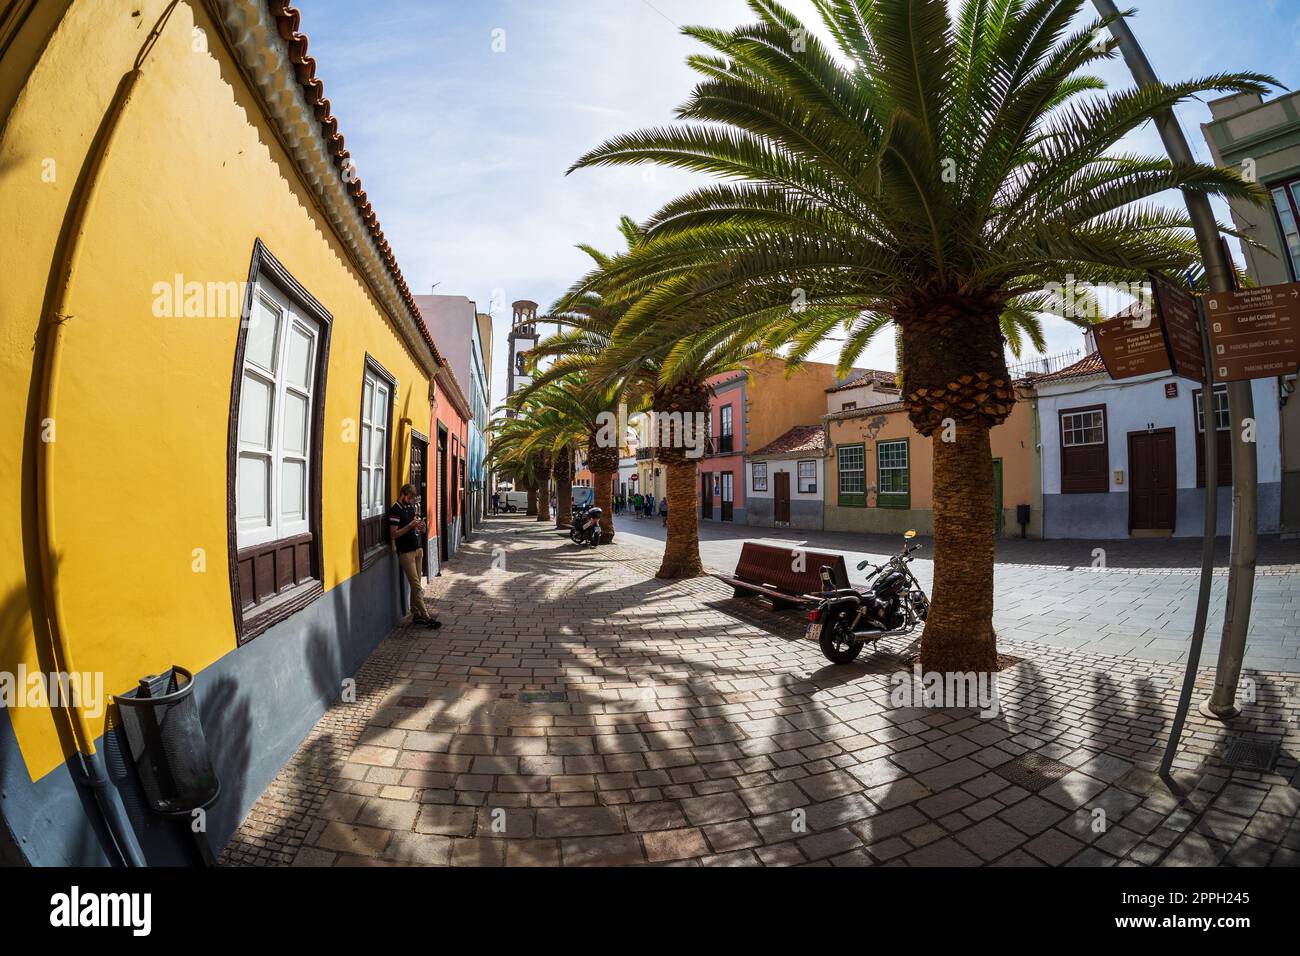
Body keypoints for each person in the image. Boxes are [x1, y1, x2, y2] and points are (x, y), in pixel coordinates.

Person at [390, 483, 440, 630]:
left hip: (417, 549)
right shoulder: (395, 510)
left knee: (415, 585)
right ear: (403, 494)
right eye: (409, 498)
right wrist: (410, 526)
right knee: (417, 587)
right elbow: (394, 534)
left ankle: (416, 614)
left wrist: (421, 527)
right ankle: (427, 617)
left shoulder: (410, 508)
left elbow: (416, 529)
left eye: (412, 499)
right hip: (405, 552)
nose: (411, 501)